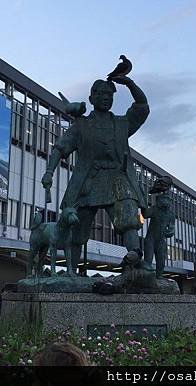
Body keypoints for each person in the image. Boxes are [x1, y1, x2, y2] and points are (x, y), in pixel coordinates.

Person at [41, 76, 149, 271]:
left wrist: (130, 84)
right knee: (76, 230)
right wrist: (49, 172)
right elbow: (60, 148)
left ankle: (135, 259)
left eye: (110, 95)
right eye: (101, 94)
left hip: (117, 178)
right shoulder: (82, 125)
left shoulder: (122, 124)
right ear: (91, 98)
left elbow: (142, 106)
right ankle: (72, 272)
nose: (106, 98)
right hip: (88, 181)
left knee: (129, 218)